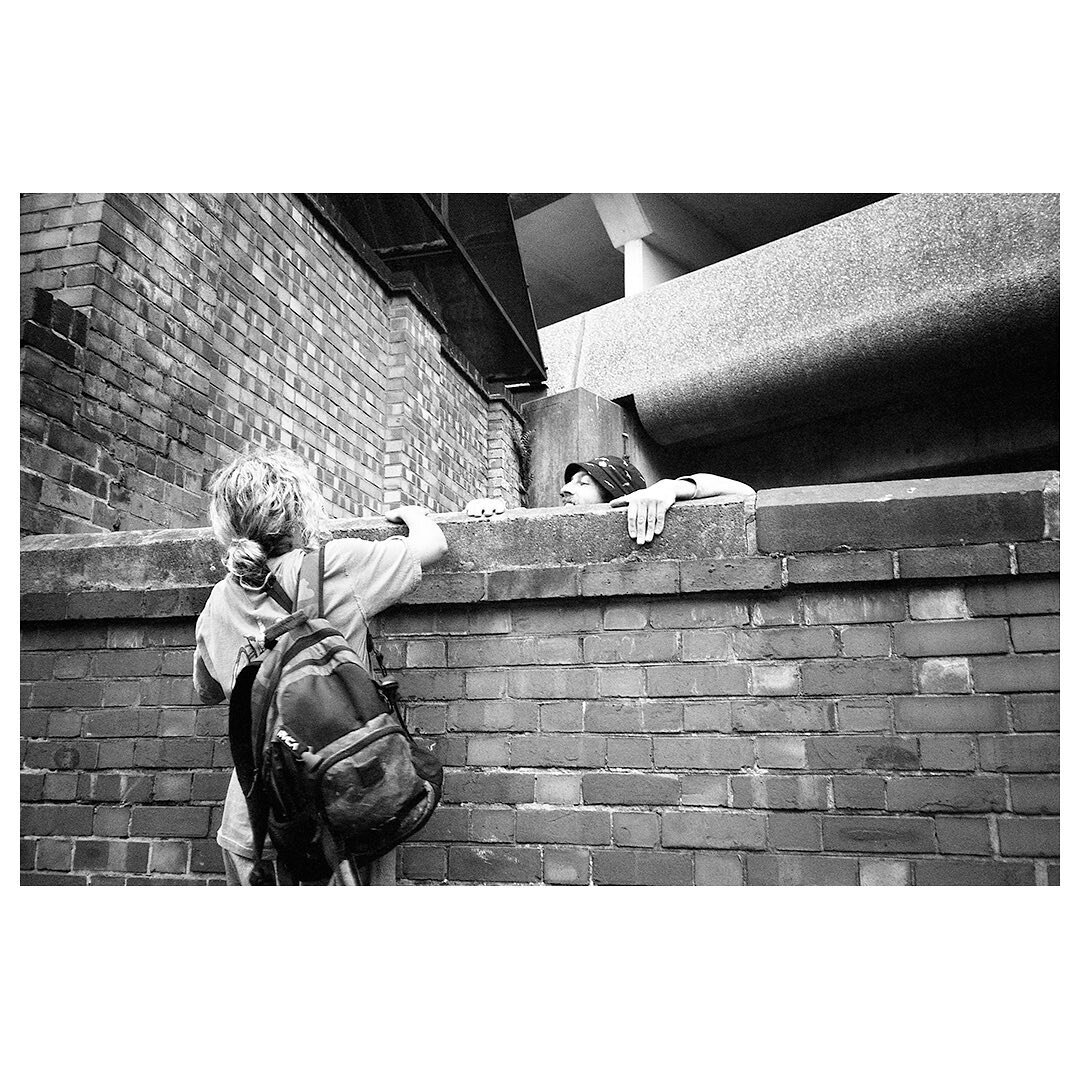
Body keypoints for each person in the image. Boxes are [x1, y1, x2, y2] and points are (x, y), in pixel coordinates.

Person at [192, 448, 448, 885]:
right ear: (295, 513)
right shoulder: (333, 565)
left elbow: (209, 690)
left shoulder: (217, 602)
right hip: (344, 801)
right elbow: (433, 545)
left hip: (252, 821)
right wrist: (413, 513)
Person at [466, 456, 754, 545]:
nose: (565, 489)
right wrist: (491, 512)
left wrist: (671, 487)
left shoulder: (650, 525)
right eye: (568, 482)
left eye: (583, 483)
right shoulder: (554, 533)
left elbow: (746, 496)